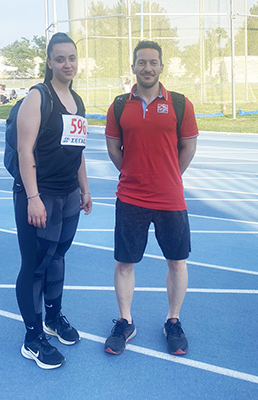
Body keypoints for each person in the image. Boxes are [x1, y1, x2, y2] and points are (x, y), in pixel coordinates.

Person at [104, 40, 198, 356]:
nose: (147, 68)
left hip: (170, 198)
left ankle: (173, 321)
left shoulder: (180, 104)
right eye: (141, 62)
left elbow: (188, 147)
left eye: (153, 62)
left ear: (161, 66)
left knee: (177, 261)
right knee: (125, 263)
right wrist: (134, 173)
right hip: (131, 197)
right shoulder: (119, 106)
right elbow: (114, 149)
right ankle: (125, 321)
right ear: (133, 67)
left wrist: (168, 175)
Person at [13, 32, 92, 369]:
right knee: (35, 266)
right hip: (40, 195)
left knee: (57, 257)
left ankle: (53, 318)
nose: (67, 64)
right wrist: (33, 198)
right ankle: (32, 339)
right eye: (60, 59)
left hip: (68, 196)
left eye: (71, 58)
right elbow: (24, 150)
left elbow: (78, 150)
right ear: (49, 62)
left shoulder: (77, 101)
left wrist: (84, 189)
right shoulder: (38, 97)